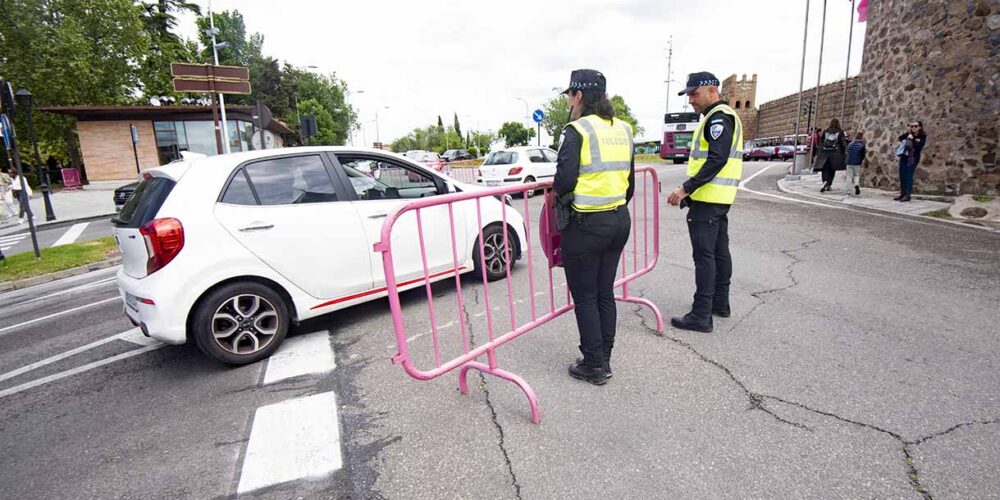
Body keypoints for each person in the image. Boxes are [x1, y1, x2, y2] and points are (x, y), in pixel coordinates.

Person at [553, 69, 634, 385]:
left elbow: (563, 182)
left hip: (586, 225)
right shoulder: (623, 129)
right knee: (604, 293)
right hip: (618, 220)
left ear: (579, 96)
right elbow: (628, 184)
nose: (569, 103)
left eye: (570, 96)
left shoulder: (577, 130)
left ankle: (594, 364)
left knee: (585, 296)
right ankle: (605, 357)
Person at [667, 72, 743, 333]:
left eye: (694, 93)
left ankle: (701, 314)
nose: (690, 100)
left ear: (712, 91)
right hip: (720, 199)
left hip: (708, 199)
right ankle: (720, 303)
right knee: (719, 252)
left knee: (705, 257)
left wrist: (686, 188)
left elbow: (717, 158)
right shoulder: (722, 116)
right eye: (688, 95)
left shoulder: (718, 118)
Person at [895, 120, 927, 202]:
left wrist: (912, 140)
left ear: (920, 127)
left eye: (915, 126)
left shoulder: (922, 136)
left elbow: (919, 147)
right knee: (902, 175)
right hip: (904, 157)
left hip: (913, 158)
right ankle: (902, 193)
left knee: (909, 176)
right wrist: (908, 134)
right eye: (912, 126)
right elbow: (900, 138)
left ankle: (907, 195)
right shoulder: (909, 134)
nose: (913, 128)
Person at [815, 118, 847, 192]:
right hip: (835, 154)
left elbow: (821, 142)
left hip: (824, 153)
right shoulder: (840, 132)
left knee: (825, 169)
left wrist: (818, 153)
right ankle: (829, 184)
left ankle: (824, 181)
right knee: (832, 170)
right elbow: (843, 142)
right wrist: (846, 150)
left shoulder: (825, 131)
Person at [844, 131, 866, 196]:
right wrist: (861, 160)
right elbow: (863, 155)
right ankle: (856, 185)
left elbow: (847, 152)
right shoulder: (862, 145)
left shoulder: (850, 144)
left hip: (849, 162)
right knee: (856, 175)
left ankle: (847, 190)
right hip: (857, 162)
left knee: (849, 176)